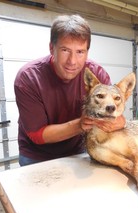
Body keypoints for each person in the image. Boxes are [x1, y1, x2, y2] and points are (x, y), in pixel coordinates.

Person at [14, 14, 126, 166]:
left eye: (80, 52)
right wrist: (80, 125)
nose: (72, 61)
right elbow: (37, 134)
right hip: (37, 156)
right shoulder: (28, 78)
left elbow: (113, 114)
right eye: (65, 50)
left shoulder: (96, 74)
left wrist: (119, 121)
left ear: (87, 51)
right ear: (51, 48)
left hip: (79, 151)